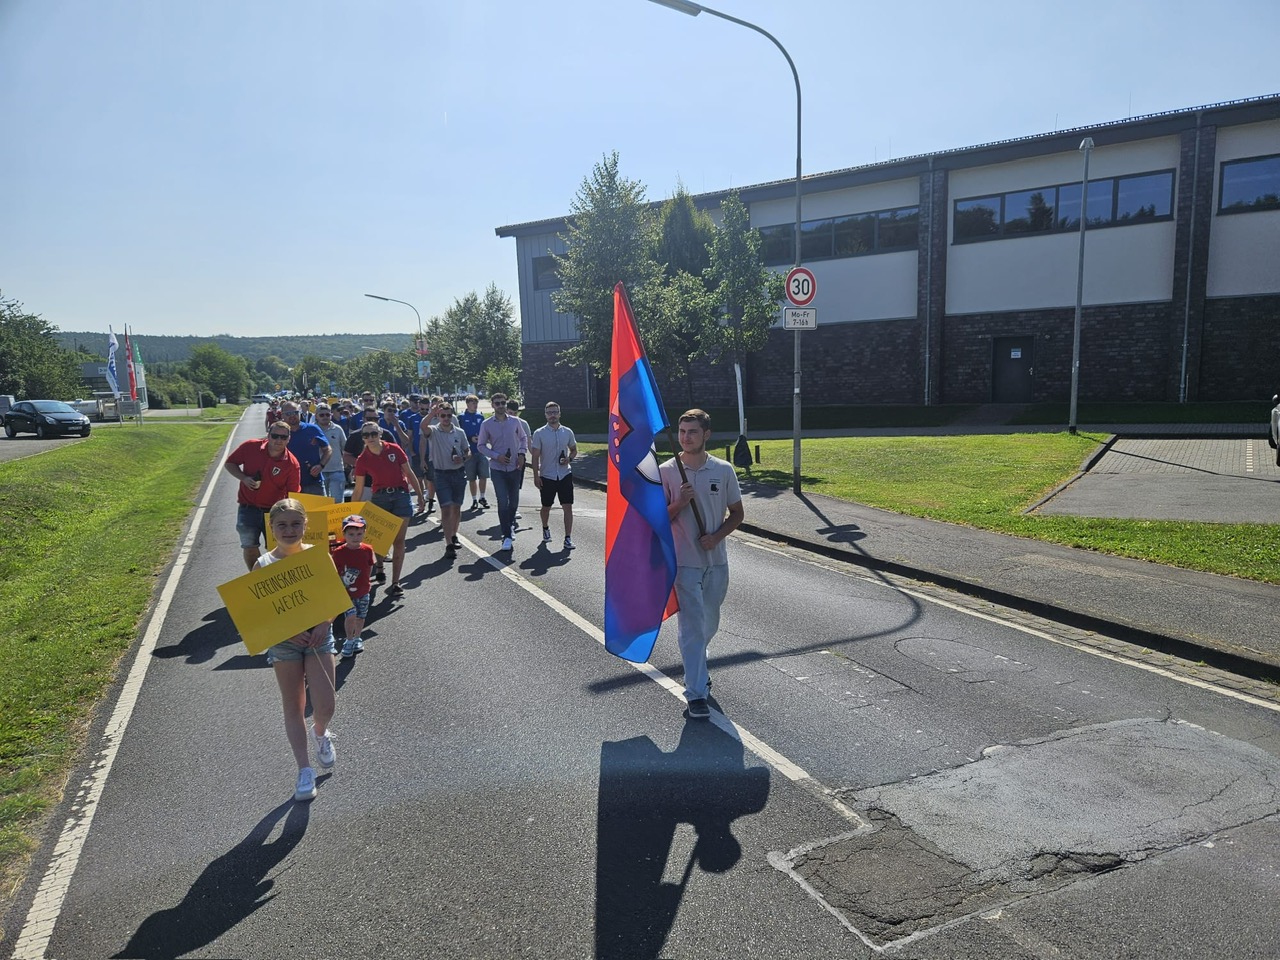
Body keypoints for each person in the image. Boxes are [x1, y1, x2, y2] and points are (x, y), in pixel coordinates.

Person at [659, 410, 744, 721]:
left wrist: (717, 536)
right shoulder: (667, 471)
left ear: (706, 434)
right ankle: (696, 693)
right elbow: (657, 518)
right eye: (682, 431)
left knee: (709, 625)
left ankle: (698, 663)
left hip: (716, 562)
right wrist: (680, 503)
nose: (685, 437)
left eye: (692, 431)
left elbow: (737, 513)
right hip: (684, 562)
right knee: (692, 627)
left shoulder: (722, 470)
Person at [256, 498, 337, 802]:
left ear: (305, 525)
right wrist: (287, 632)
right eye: (282, 525)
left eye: (295, 524)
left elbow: (334, 597)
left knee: (326, 705)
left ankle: (320, 732)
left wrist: (324, 624)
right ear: (271, 528)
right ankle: (304, 769)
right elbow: (259, 612)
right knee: (294, 705)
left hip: (319, 638)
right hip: (284, 643)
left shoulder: (318, 556)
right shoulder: (263, 564)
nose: (289, 530)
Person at [352, 423, 425, 597]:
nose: (370, 438)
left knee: (399, 541)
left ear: (380, 434)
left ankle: (395, 582)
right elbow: (358, 488)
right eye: (366, 435)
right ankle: (379, 566)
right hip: (380, 498)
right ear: (363, 438)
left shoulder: (394, 449)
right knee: (380, 540)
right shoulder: (362, 459)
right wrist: (352, 512)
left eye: (373, 433)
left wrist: (420, 496)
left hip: (401, 496)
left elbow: (409, 473)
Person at [224, 422, 301, 570]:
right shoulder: (250, 447)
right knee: (249, 546)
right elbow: (230, 463)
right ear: (268, 435)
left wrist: (291, 516)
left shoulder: (292, 464)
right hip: (248, 508)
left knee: (276, 549)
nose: (279, 440)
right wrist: (244, 478)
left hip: (274, 512)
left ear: (289, 439)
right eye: (275, 436)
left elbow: (293, 494)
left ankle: (277, 579)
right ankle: (257, 577)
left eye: (283, 437)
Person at [476, 392, 527, 553]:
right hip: (497, 468)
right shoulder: (486, 424)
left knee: (514, 501)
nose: (500, 406)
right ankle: (506, 536)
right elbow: (481, 446)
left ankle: (509, 524)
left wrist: (521, 454)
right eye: (497, 403)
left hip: (514, 467)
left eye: (503, 403)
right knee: (502, 501)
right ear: (492, 405)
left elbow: (523, 438)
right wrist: (496, 456)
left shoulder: (515, 421)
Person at [419, 401, 470, 556]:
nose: (446, 418)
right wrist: (432, 413)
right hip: (441, 475)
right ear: (439, 417)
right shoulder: (434, 431)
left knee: (456, 507)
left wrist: (462, 458)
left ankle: (454, 535)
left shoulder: (459, 432)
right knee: (446, 508)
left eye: (448, 415)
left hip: (458, 474)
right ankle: (448, 544)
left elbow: (467, 451)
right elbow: (423, 426)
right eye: (443, 416)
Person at [529, 400, 577, 550]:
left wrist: (569, 459)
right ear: (545, 415)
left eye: (555, 412)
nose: (552, 415)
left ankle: (568, 538)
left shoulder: (567, 432)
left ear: (559, 414)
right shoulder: (539, 433)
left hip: (564, 474)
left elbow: (574, 449)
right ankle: (545, 528)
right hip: (547, 475)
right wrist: (536, 476)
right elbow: (535, 457)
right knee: (546, 506)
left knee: (567, 506)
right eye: (549, 413)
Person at [331, 514, 375, 657]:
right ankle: (349, 640)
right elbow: (335, 571)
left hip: (363, 590)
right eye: (351, 534)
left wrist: (367, 582)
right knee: (350, 616)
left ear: (364, 533)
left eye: (359, 534)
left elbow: (370, 566)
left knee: (361, 617)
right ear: (344, 534)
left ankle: (357, 638)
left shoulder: (368, 549)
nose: (355, 537)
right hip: (346, 592)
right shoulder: (338, 553)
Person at [281, 400, 331, 497]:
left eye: (295, 412)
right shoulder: (278, 433)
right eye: (288, 413)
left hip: (313, 482)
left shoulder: (312, 429)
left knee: (320, 507)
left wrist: (321, 465)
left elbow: (328, 449)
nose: (292, 416)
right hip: (288, 484)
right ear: (282, 415)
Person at [458, 394, 489, 511]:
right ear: (467, 404)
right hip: (469, 452)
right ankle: (474, 499)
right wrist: (470, 438)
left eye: (476, 403)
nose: (475, 405)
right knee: (471, 478)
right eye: (472, 403)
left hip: (481, 451)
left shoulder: (480, 416)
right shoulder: (461, 417)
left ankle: (482, 497)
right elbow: (459, 434)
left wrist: (483, 438)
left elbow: (486, 432)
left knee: (483, 475)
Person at [314, 403, 348, 503]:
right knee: (322, 503)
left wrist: (347, 465)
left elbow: (345, 448)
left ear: (331, 415)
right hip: (319, 472)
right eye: (321, 415)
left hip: (337, 470)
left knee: (337, 502)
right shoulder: (312, 430)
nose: (325, 417)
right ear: (316, 416)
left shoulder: (337, 429)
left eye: (327, 414)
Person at [506, 399, 532, 519]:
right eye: (510, 413)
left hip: (519, 457)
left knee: (516, 485)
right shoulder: (501, 423)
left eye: (515, 413)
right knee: (505, 484)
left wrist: (537, 459)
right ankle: (507, 506)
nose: (513, 416)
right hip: (505, 457)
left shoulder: (523, 424)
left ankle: (513, 508)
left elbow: (529, 443)